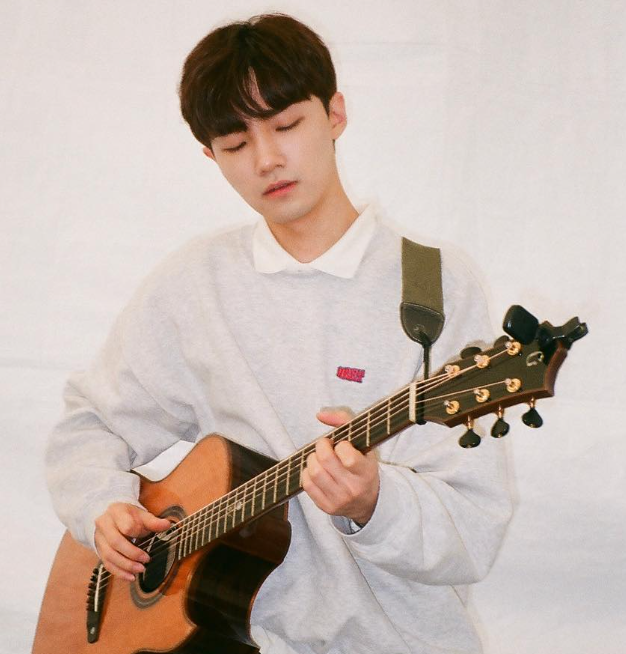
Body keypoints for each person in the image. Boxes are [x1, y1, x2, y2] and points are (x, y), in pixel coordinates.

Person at [45, 12, 512, 654]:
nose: (267, 159)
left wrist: (373, 501)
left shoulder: (430, 288)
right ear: (210, 156)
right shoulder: (195, 284)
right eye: (236, 144)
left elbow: (472, 533)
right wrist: (101, 505)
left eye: (287, 125)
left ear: (335, 115)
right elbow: (90, 423)